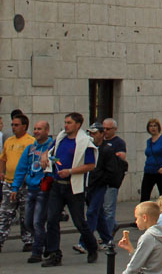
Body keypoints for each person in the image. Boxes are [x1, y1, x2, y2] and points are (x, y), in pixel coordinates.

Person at [41, 112, 99, 266]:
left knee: (79, 222)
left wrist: (70, 171)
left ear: (78, 125)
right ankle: (54, 254)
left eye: (69, 122)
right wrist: (44, 157)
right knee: (52, 219)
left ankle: (92, 247)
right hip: (57, 186)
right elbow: (49, 151)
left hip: (74, 188)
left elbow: (91, 165)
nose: (66, 125)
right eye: (65, 122)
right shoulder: (61, 138)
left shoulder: (85, 142)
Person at [13, 119, 54, 263]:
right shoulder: (30, 149)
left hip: (44, 190)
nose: (36, 131)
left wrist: (50, 157)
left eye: (40, 129)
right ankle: (48, 244)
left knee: (38, 222)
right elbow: (21, 169)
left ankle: (36, 253)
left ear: (47, 131)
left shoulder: (53, 147)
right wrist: (15, 188)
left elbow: (60, 162)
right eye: (35, 129)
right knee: (28, 223)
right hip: (31, 190)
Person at [83, 122, 126, 253]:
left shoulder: (107, 149)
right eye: (90, 133)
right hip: (90, 185)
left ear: (102, 134)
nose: (92, 136)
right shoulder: (89, 148)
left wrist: (102, 180)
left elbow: (111, 170)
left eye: (95, 133)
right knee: (99, 213)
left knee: (92, 212)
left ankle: (85, 242)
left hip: (101, 185)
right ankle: (108, 239)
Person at [0, 112, 34, 254]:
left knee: (25, 214)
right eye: (12, 125)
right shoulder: (9, 141)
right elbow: (3, 158)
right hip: (9, 183)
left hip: (25, 185)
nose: (13, 127)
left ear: (24, 126)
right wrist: (1, 172)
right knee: (4, 213)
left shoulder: (31, 141)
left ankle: (28, 241)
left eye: (16, 125)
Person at [116, 201, 162, 274]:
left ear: (144, 217)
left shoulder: (148, 237)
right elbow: (145, 259)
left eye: (136, 218)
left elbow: (133, 267)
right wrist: (130, 249)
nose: (136, 222)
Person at [142, 120, 162, 202]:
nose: (153, 128)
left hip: (160, 171)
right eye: (151, 126)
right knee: (145, 195)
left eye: (155, 126)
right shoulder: (149, 141)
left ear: (158, 127)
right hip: (149, 170)